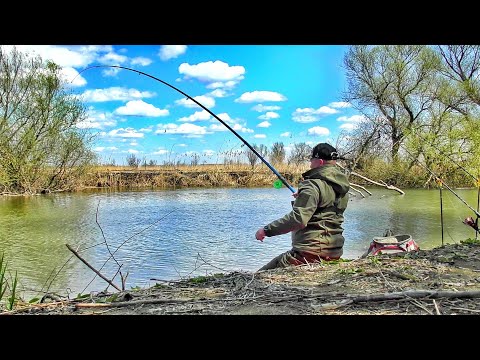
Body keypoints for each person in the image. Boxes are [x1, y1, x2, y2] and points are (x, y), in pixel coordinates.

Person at [255, 142, 350, 271]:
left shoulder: (311, 185)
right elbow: (325, 207)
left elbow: (298, 219)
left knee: (259, 275)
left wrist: (266, 230)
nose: (310, 164)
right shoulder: (341, 187)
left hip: (309, 253)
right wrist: (304, 197)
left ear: (320, 162)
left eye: (311, 160)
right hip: (335, 251)